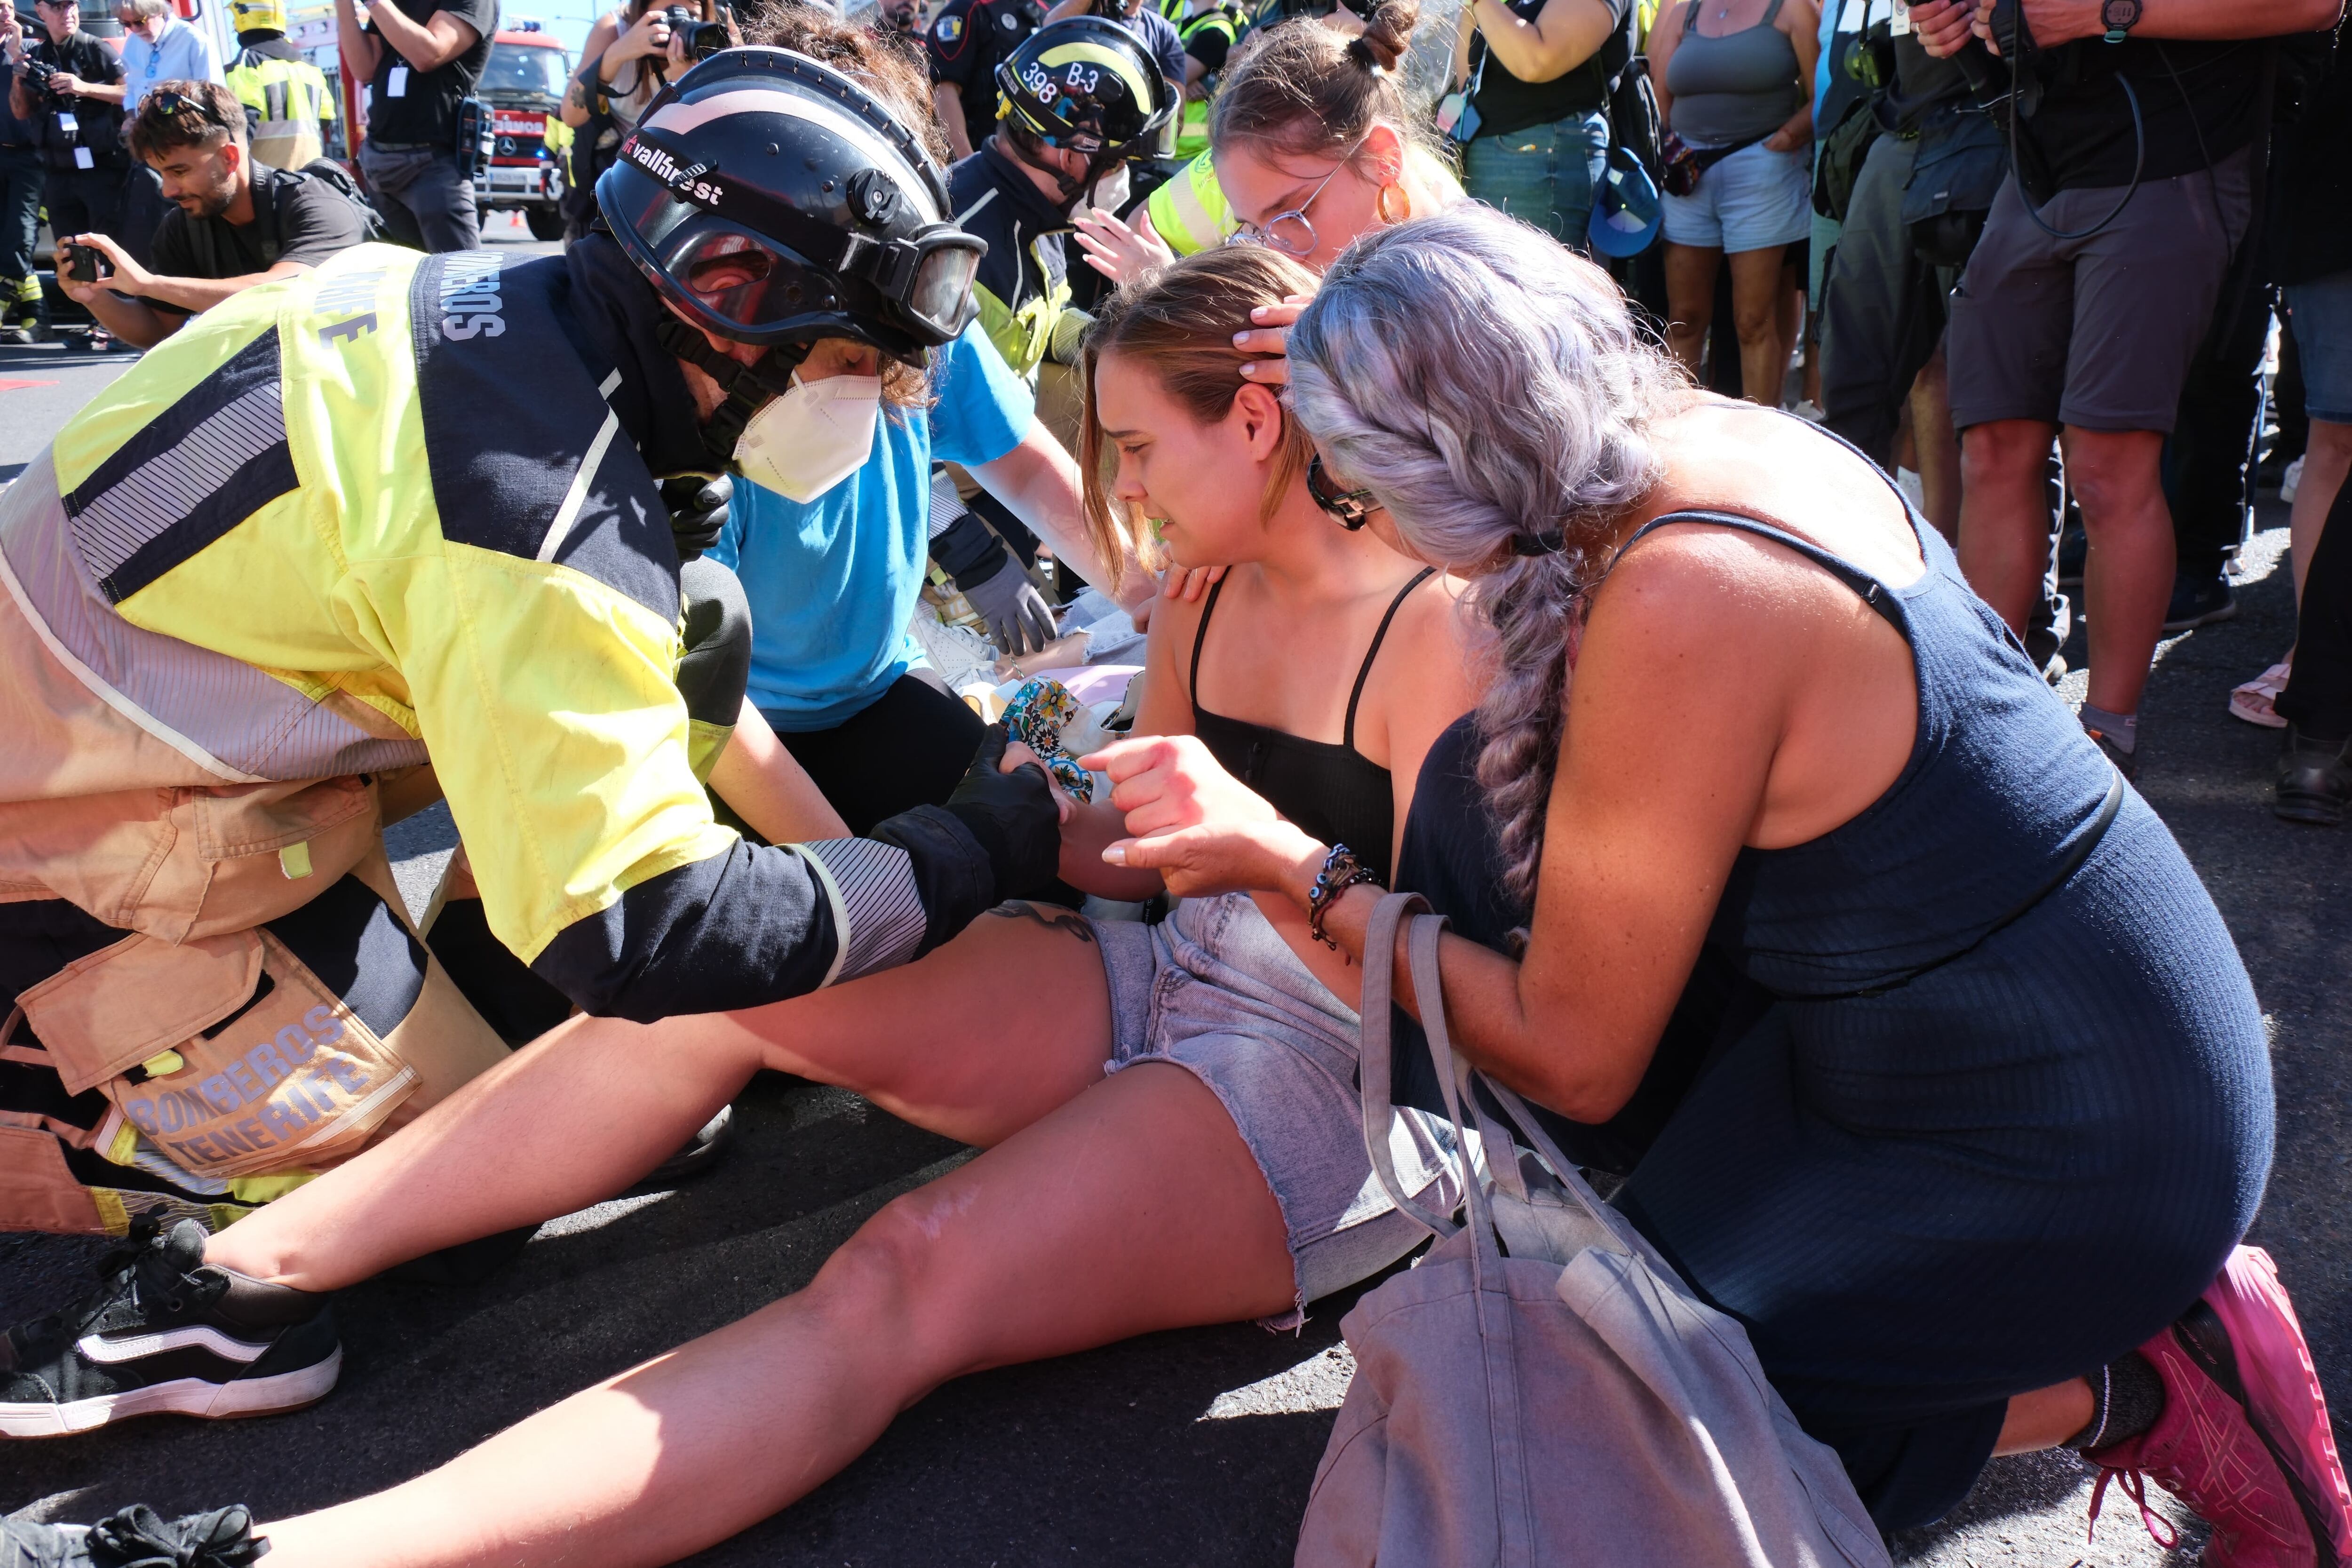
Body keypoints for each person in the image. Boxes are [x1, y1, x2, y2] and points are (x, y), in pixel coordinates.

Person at [0, 244, 1483, 1568]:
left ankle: (272, 1557)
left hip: (1341, 1076)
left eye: (1140, 447)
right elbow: (1138, 865)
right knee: (709, 997)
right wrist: (1028, 821)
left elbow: (1488, 1014)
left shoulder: (1440, 632)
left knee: (902, 1271)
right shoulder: (1206, 596)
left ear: (1257, 422)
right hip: (1179, 977)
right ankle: (235, 1286)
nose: (1124, 496)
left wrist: (1264, 861)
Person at [1116, 202, 2352, 1554]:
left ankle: (2150, 1381)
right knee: (1474, 814)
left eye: (1358, 492)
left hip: (2074, 1128)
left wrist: (1290, 864)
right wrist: (1385, 340)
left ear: (1446, 461)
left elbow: (1574, 1055)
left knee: (1638, 1407)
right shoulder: (1663, 434)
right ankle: (1760, 1267)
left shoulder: (1684, 590)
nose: (1367, 524)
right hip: (1961, 1025)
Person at [0, 46, 1061, 1243]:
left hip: (172, 717)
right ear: (727, 291)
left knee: (691, 621)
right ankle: (80, 1112)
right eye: (852, 364)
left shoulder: (501, 311)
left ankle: (462, 967)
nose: (863, 407)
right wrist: (966, 853)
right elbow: (645, 929)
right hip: (70, 823)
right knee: (439, 1164)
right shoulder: (533, 513)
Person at [702, 10, 1156, 832]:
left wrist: (1145, 592)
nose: (874, 374)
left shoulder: (918, 295)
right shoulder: (702, 385)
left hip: (878, 680)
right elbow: (705, 693)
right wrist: (850, 870)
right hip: (730, 720)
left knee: (1044, 849)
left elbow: (1019, 457)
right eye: (849, 354)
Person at [1913, 0, 2341, 780]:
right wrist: (1962, 20)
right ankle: (1985, 719)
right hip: (2038, 162)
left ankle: (2107, 734)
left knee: (2108, 465)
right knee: (1993, 445)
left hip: (2176, 159)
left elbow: (2317, 5)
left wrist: (2106, 12)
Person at [1070, 2, 1464, 289]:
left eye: (1296, 213)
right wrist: (1171, 286)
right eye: (1248, 230)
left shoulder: (1465, 277)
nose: (1272, 257)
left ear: (1385, 158)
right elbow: (1139, 233)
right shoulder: (1242, 170)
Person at [54, 80, 373, 350]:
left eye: (179, 171)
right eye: (161, 174)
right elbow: (157, 328)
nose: (168, 191)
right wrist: (94, 297)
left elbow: (284, 294)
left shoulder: (316, 203)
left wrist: (149, 284)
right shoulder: (184, 225)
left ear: (229, 158)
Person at [1649, 0, 1819, 403]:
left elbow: (1823, 95)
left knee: (1753, 320)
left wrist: (1787, 137)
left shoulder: (1792, 9)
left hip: (1761, 173)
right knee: (1684, 318)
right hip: (1689, 175)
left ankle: (1761, 432)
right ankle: (1677, 430)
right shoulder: (1686, 11)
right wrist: (1673, 151)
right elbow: (1659, 93)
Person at [1445, 0, 1628, 247]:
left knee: (1526, 271)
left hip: (1540, 153)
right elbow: (1468, 71)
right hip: (1486, 150)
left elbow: (1536, 61)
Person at [339, 0, 495, 251]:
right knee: (398, 272)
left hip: (434, 164)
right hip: (380, 163)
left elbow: (429, 54)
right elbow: (364, 68)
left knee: (460, 271)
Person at [11, 0, 128, 307]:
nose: (69, 14)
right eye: (59, 7)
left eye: (72, 6)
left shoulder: (96, 48)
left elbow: (132, 93)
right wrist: (19, 78)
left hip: (101, 169)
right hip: (59, 172)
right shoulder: (38, 55)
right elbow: (22, 112)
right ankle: (97, 316)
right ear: (40, 11)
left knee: (110, 247)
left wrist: (83, 88)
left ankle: (125, 313)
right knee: (73, 251)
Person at [223, 0, 342, 170]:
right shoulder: (310, 67)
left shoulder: (248, 62)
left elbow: (241, 126)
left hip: (268, 178)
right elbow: (326, 121)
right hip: (310, 177)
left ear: (242, 16)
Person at [925, 0, 1046, 159]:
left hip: (1032, 159)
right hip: (981, 156)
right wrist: (967, 161)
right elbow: (944, 90)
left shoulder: (1045, 14)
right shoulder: (967, 10)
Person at [0, 8, 46, 343]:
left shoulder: (32, 48)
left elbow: (40, 94)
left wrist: (17, 54)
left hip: (30, 158)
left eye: (9, 6)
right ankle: (36, 319)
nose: (5, 12)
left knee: (20, 236)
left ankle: (7, 304)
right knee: (7, 241)